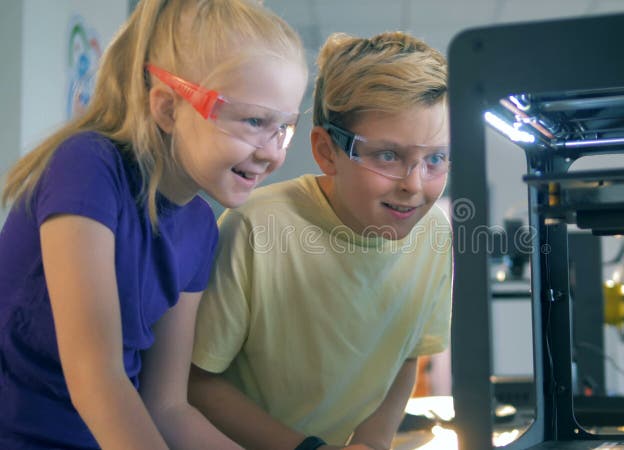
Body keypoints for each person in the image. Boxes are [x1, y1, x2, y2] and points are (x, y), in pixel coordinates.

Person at [0, 0, 307, 448]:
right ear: (167, 108)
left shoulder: (201, 228)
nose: (274, 152)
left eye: (284, 128)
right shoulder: (89, 167)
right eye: (255, 121)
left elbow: (166, 407)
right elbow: (97, 378)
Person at [189, 31, 452, 450]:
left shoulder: (434, 232)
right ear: (327, 152)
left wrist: (372, 441)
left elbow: (407, 353)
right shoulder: (256, 227)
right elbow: (198, 384)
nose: (414, 185)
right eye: (388, 155)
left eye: (435, 158)